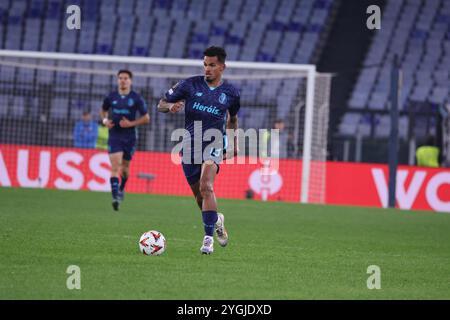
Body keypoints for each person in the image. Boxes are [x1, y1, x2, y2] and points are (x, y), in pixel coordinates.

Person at [157, 46, 240, 254]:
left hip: (214, 144)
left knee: (207, 186)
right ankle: (216, 220)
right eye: (205, 64)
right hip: (189, 145)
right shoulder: (189, 85)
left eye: (212, 65)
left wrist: (233, 143)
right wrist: (170, 107)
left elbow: (233, 119)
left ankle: (207, 239)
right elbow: (161, 103)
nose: (207, 69)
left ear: (222, 66)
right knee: (199, 197)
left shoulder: (231, 93)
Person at [100, 70, 150, 211]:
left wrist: (131, 124)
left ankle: (122, 188)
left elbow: (146, 118)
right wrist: (105, 120)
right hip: (115, 134)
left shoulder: (136, 98)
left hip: (129, 136)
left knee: (125, 169)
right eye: (120, 78)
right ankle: (115, 196)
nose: (123, 80)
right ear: (117, 80)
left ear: (130, 81)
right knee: (115, 167)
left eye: (125, 78)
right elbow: (103, 110)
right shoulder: (111, 96)